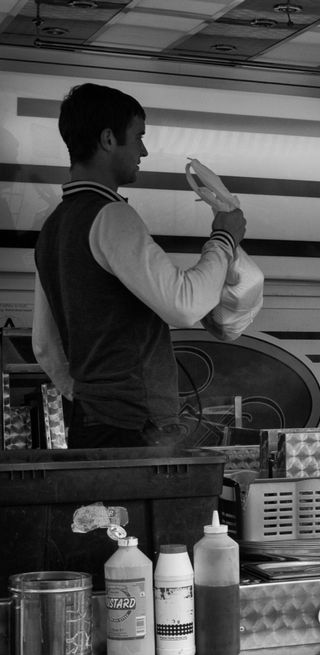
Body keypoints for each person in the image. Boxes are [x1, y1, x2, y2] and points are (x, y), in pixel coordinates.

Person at [31, 83, 248, 449]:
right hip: (138, 426)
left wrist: (91, 397)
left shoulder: (53, 226)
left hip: (90, 423)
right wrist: (224, 238)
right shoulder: (112, 216)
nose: (143, 151)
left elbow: (43, 346)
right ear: (108, 139)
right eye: (138, 137)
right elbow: (184, 305)